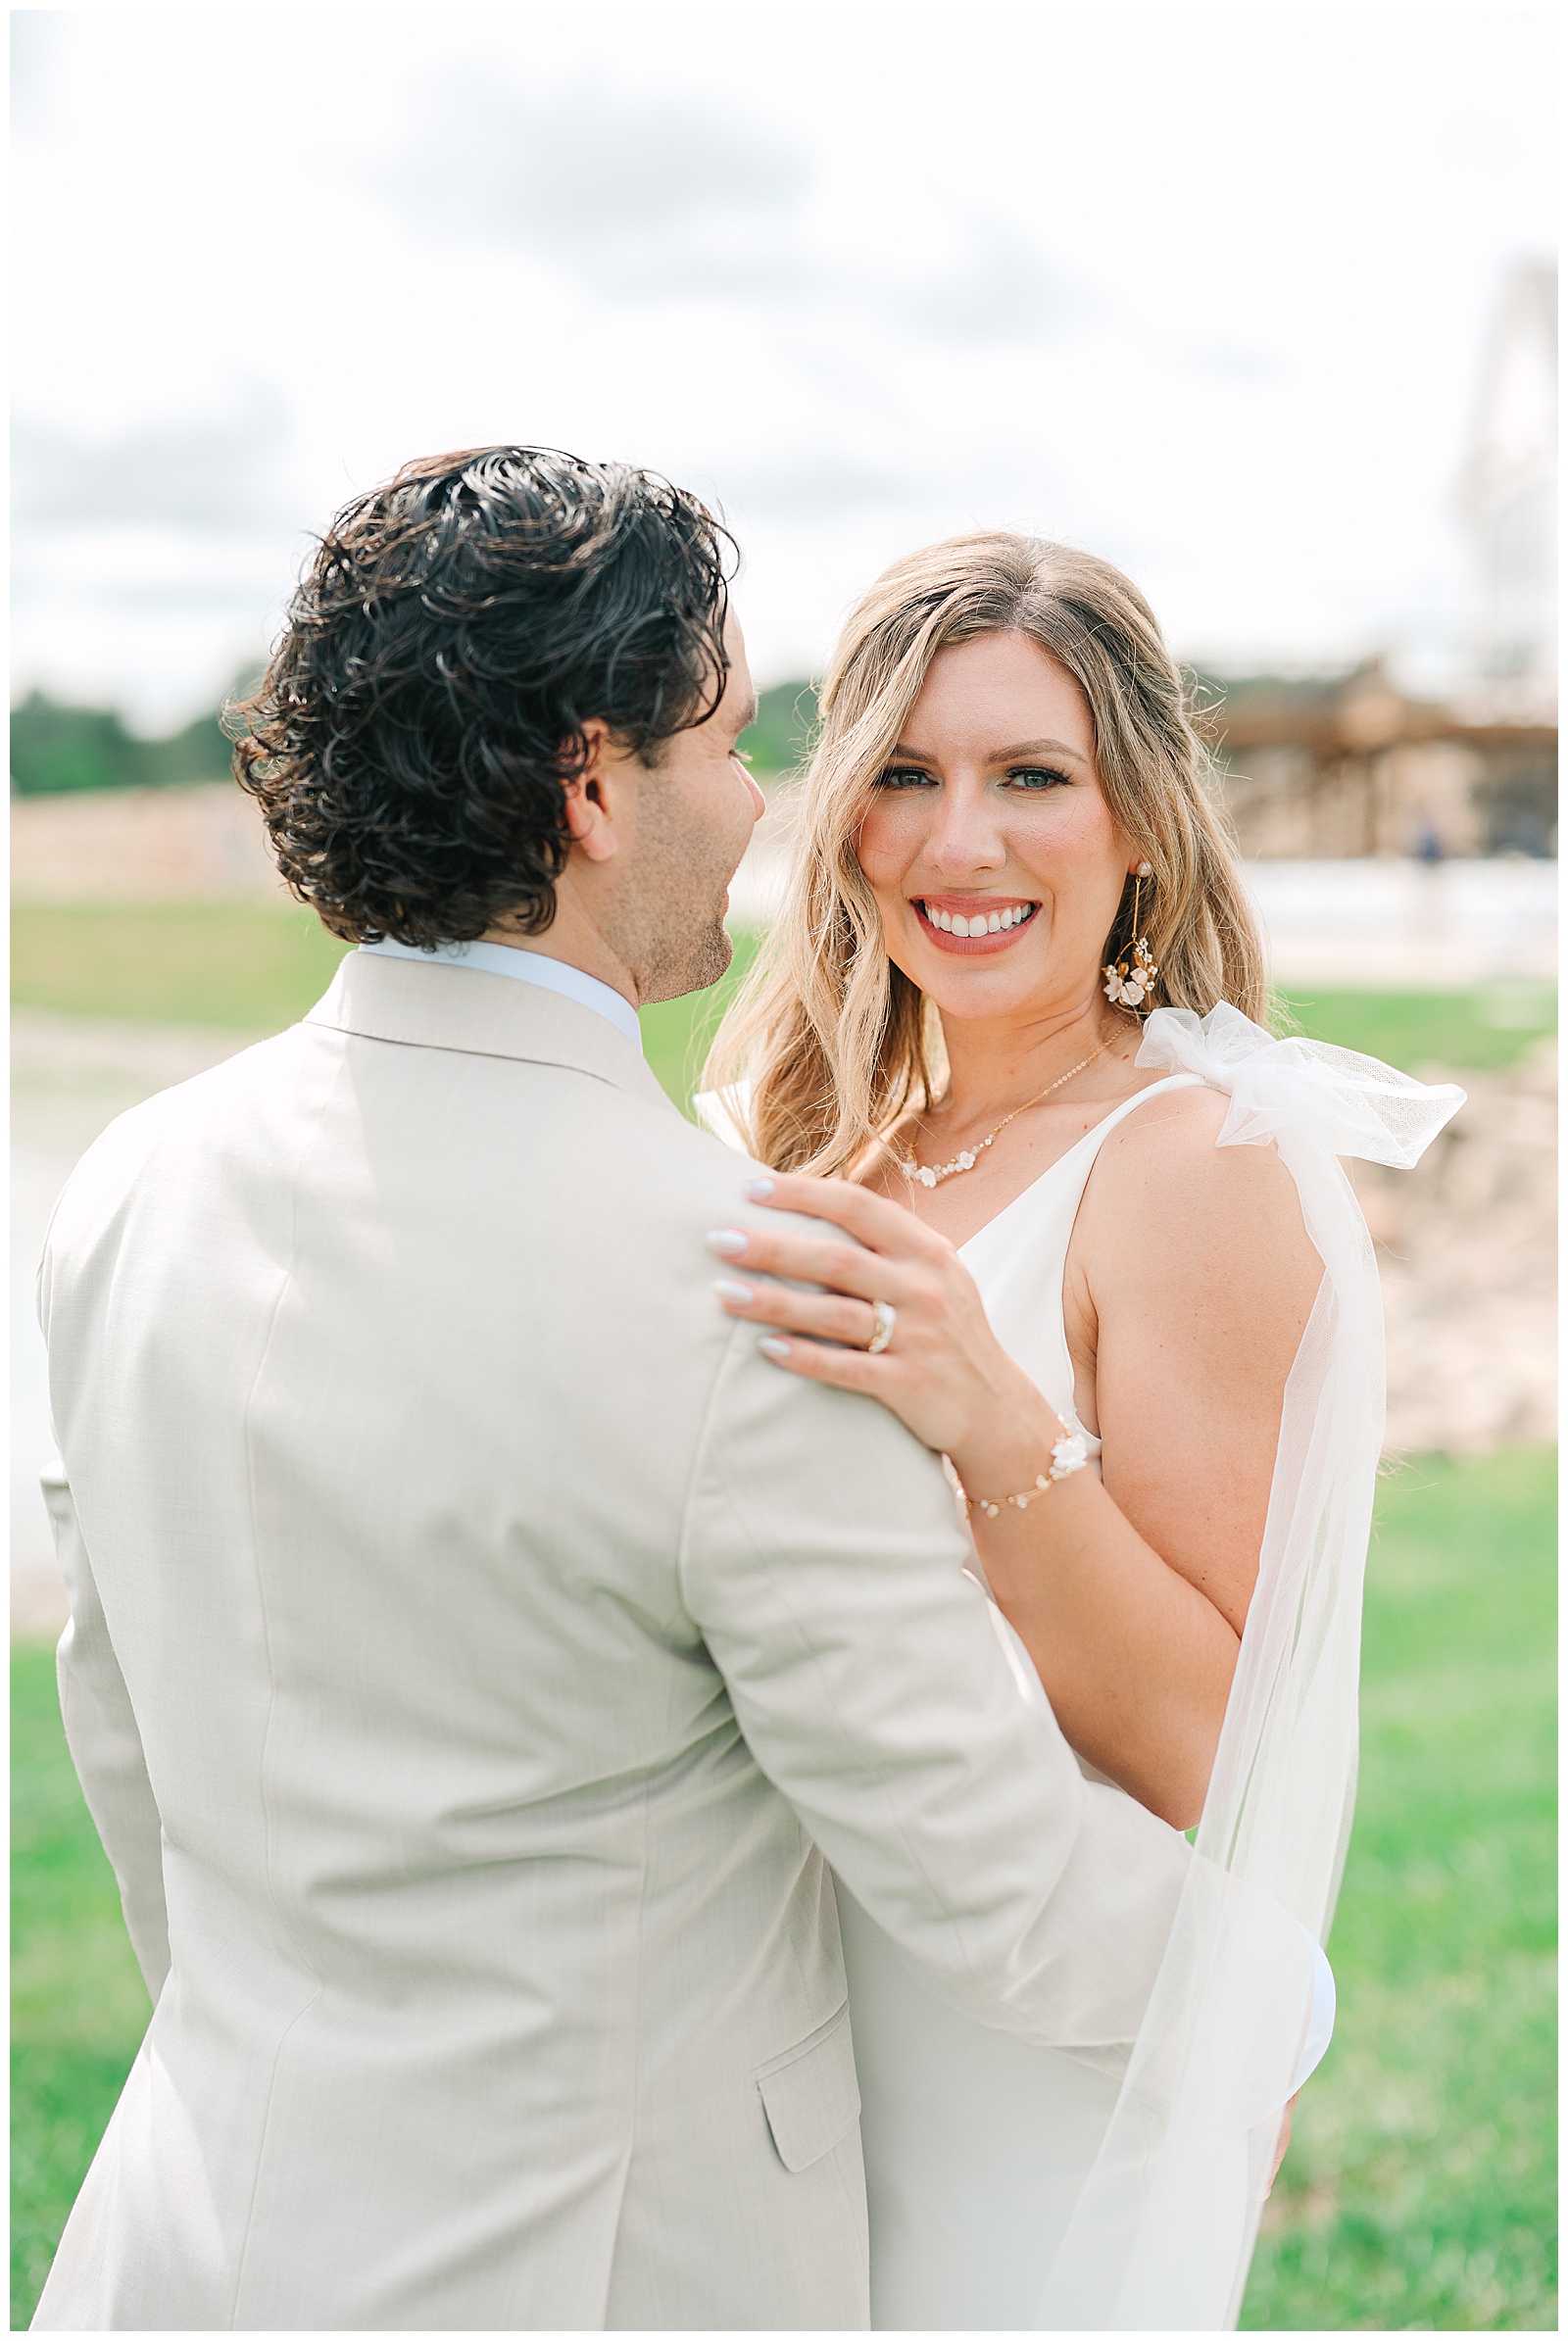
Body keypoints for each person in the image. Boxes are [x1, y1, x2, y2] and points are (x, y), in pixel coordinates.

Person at [30, 451, 1259, 2333]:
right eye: (721, 737)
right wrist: (1274, 1988)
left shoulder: (131, 1185)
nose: (765, 791)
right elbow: (993, 1872)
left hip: (188, 2230)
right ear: (597, 788)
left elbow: (120, 1731)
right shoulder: (752, 1291)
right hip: (593, 2275)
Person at [701, 533, 1464, 2329]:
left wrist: (990, 1414)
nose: (959, 842)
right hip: (770, 2027)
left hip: (1025, 2063)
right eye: (904, 773)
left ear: (1138, 821)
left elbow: (1222, 1745)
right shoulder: (812, 1150)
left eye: (1030, 775)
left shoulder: (1192, 1163)